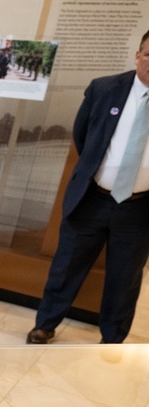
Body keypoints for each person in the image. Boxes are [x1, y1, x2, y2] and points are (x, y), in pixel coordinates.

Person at [28, 30, 149, 345]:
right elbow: (82, 136)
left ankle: (112, 338)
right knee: (66, 267)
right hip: (92, 199)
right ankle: (45, 325)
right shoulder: (104, 89)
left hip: (139, 208)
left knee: (125, 278)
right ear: (138, 55)